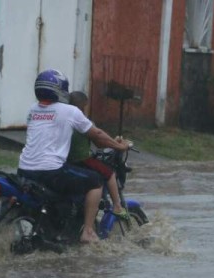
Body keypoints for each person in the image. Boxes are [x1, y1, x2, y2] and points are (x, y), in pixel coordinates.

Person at [18, 69, 130, 244]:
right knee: (95, 181)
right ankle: (88, 231)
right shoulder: (70, 111)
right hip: (51, 171)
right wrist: (119, 145)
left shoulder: (32, 110)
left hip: (24, 170)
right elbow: (98, 135)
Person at [67, 91, 130, 221]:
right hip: (82, 159)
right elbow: (99, 141)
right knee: (109, 173)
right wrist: (117, 143)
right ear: (84, 106)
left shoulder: (64, 119)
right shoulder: (83, 121)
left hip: (67, 162)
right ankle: (117, 206)